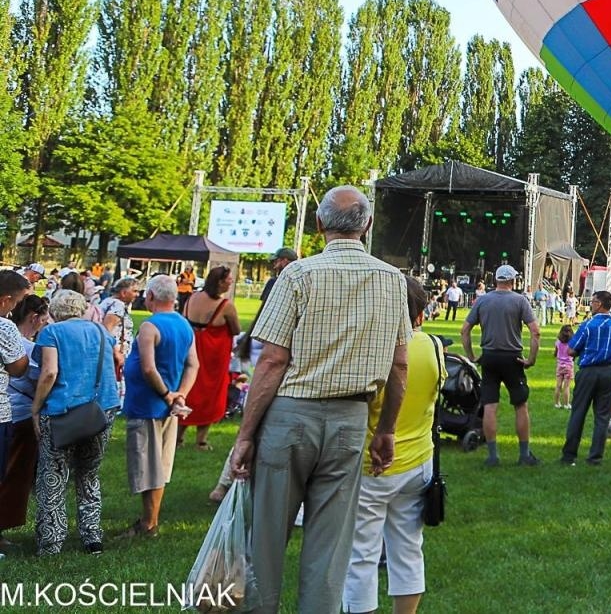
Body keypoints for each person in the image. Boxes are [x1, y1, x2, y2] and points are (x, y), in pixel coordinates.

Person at [231, 185, 412, 614]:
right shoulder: (392, 281)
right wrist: (385, 429)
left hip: (290, 416)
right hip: (351, 420)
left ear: (318, 225)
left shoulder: (297, 274)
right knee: (331, 551)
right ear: (367, 225)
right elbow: (400, 365)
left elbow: (272, 360)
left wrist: (244, 435)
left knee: (267, 541)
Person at [343, 278, 442, 614]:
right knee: (408, 549)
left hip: (373, 464)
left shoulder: (370, 348)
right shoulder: (433, 345)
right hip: (418, 462)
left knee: (361, 554)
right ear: (420, 314)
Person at [30, 289, 121, 556]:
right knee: (89, 473)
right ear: (82, 309)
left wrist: (36, 409)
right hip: (101, 408)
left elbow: (49, 372)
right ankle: (92, 536)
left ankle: (51, 541)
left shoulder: (52, 333)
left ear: (55, 312)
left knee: (53, 476)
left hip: (62, 411)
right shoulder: (101, 331)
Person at [119, 274, 198, 539]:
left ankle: (148, 523)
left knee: (147, 465)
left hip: (148, 404)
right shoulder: (184, 325)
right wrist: (181, 395)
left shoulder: (150, 327)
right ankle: (149, 520)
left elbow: (148, 367)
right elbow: (193, 364)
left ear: (151, 296)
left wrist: (167, 395)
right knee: (160, 466)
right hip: (169, 406)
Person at [461, 265, 539, 466]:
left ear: (495, 280)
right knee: (521, 405)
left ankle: (493, 456)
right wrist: (531, 358)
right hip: (513, 358)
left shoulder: (483, 300)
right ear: (513, 281)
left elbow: (465, 330)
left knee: (490, 406)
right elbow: (535, 331)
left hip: (489, 357)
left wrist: (472, 356)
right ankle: (524, 455)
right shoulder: (520, 301)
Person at [0, 292, 47, 552]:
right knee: (12, 476)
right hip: (18, 415)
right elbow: (31, 376)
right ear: (34, 317)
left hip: (10, 412)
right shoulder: (27, 347)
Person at [561, 290, 611, 466]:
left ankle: (569, 455)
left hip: (589, 370)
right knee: (602, 416)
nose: (591, 304)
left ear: (599, 304)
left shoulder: (588, 325)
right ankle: (595, 457)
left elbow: (571, 350)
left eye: (593, 301)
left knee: (578, 412)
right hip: (610, 371)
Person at [180, 265, 241, 451]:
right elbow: (236, 329)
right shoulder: (226, 306)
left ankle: (178, 438)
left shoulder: (192, 298)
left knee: (188, 389)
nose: (231, 282)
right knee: (210, 394)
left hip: (191, 350)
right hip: (213, 356)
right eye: (229, 279)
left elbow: (184, 320)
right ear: (220, 282)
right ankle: (201, 440)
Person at [99, 276, 139, 394]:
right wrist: (116, 352)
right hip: (113, 355)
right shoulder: (117, 305)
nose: (137, 294)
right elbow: (107, 329)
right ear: (123, 292)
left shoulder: (108, 302)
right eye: (134, 291)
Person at [553, 325, 575, 410]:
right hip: (568, 365)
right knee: (566, 387)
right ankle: (566, 404)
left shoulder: (558, 342)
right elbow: (573, 353)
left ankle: (557, 403)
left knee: (558, 385)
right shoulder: (571, 343)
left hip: (560, 365)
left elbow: (556, 352)